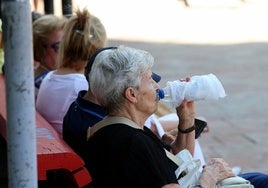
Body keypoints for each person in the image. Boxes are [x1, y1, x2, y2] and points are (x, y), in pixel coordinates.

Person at [84, 45, 235, 187]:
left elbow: (181, 163)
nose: (157, 86)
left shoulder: (114, 129)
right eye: (150, 80)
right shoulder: (135, 143)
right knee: (258, 181)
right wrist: (209, 178)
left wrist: (186, 118)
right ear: (132, 94)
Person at [36, 8, 107, 136]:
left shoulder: (50, 77)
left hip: (58, 147)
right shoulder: (83, 85)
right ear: (99, 48)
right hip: (71, 153)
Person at [32, 14, 66, 98]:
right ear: (40, 50)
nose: (65, 51)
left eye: (67, 45)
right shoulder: (47, 82)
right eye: (58, 47)